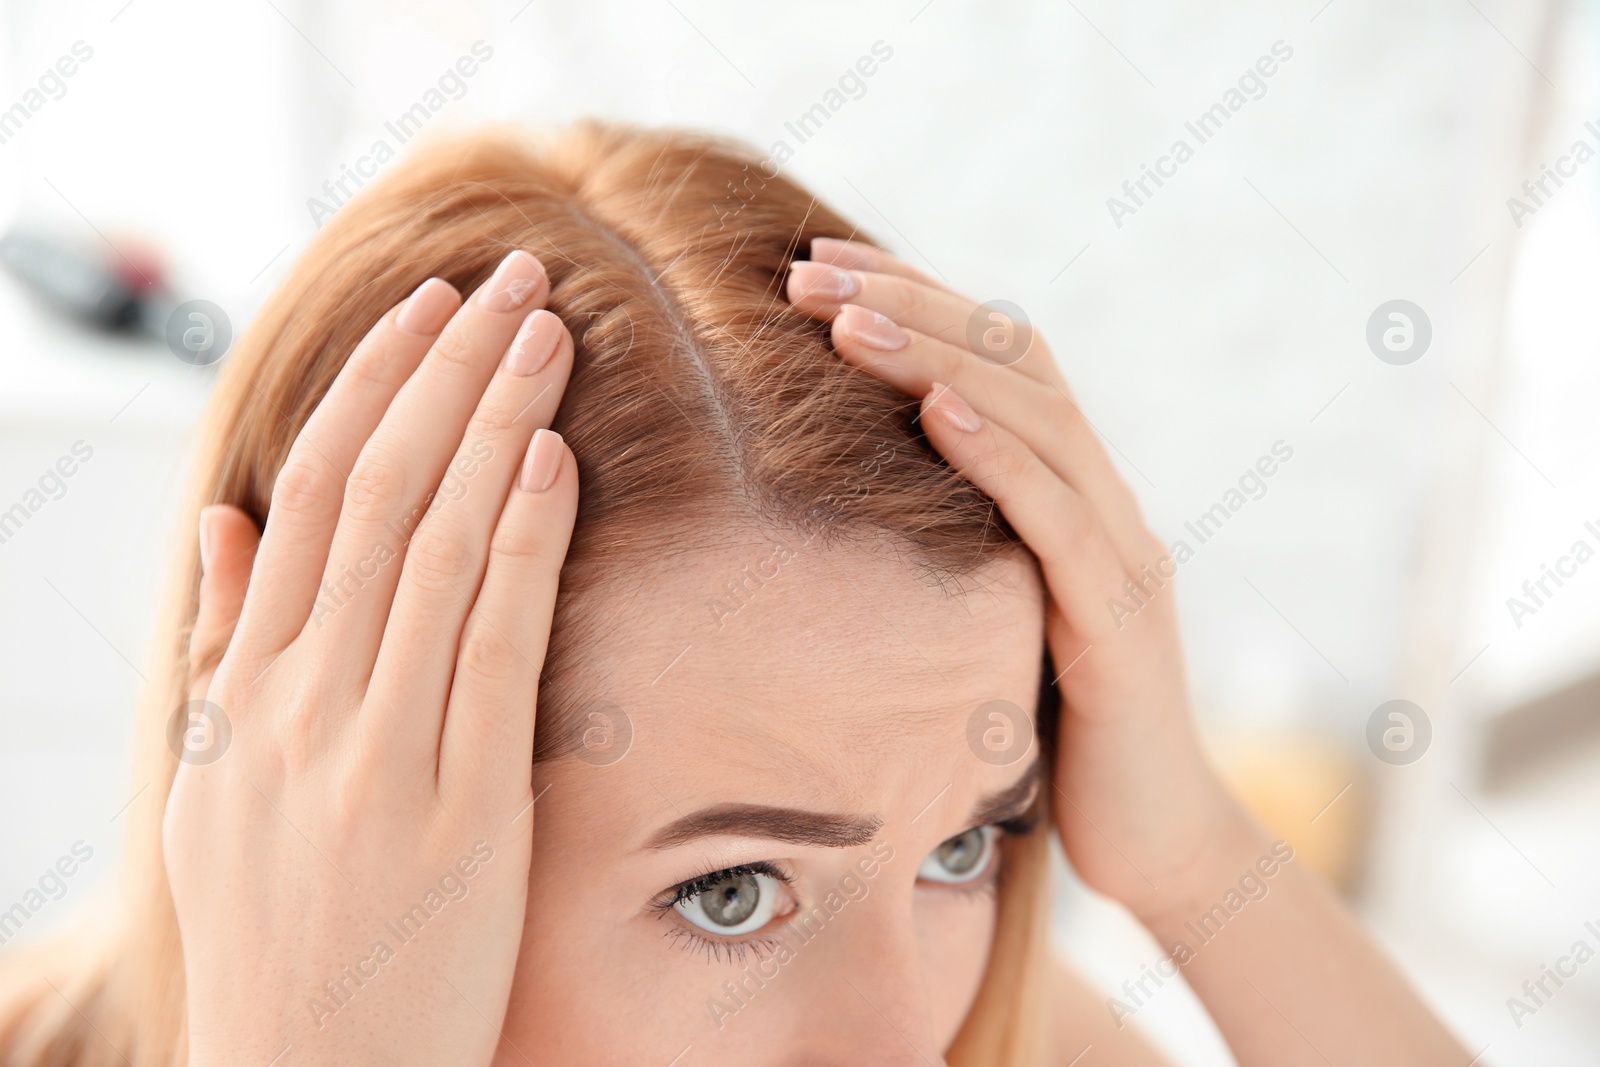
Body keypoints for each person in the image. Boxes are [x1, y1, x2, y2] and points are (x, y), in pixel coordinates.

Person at [0, 121, 1468, 1065]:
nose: (907, 1050)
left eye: (962, 848)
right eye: (728, 891)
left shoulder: (1013, 1035)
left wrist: (1195, 855)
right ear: (317, 801)